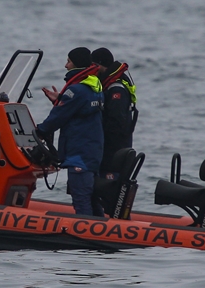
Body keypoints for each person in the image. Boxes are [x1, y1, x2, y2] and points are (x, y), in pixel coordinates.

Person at [37, 47, 104, 215]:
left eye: (68, 61)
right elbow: (76, 111)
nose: (65, 66)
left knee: (81, 199)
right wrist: (61, 100)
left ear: (76, 64)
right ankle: (99, 229)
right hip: (93, 152)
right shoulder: (95, 87)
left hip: (79, 154)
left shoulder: (76, 90)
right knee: (93, 199)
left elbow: (57, 118)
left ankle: (86, 236)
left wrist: (39, 131)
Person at [90, 47, 138, 174]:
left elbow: (116, 122)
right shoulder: (106, 84)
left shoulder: (116, 89)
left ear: (99, 65)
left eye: (93, 65)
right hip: (108, 150)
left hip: (114, 153)